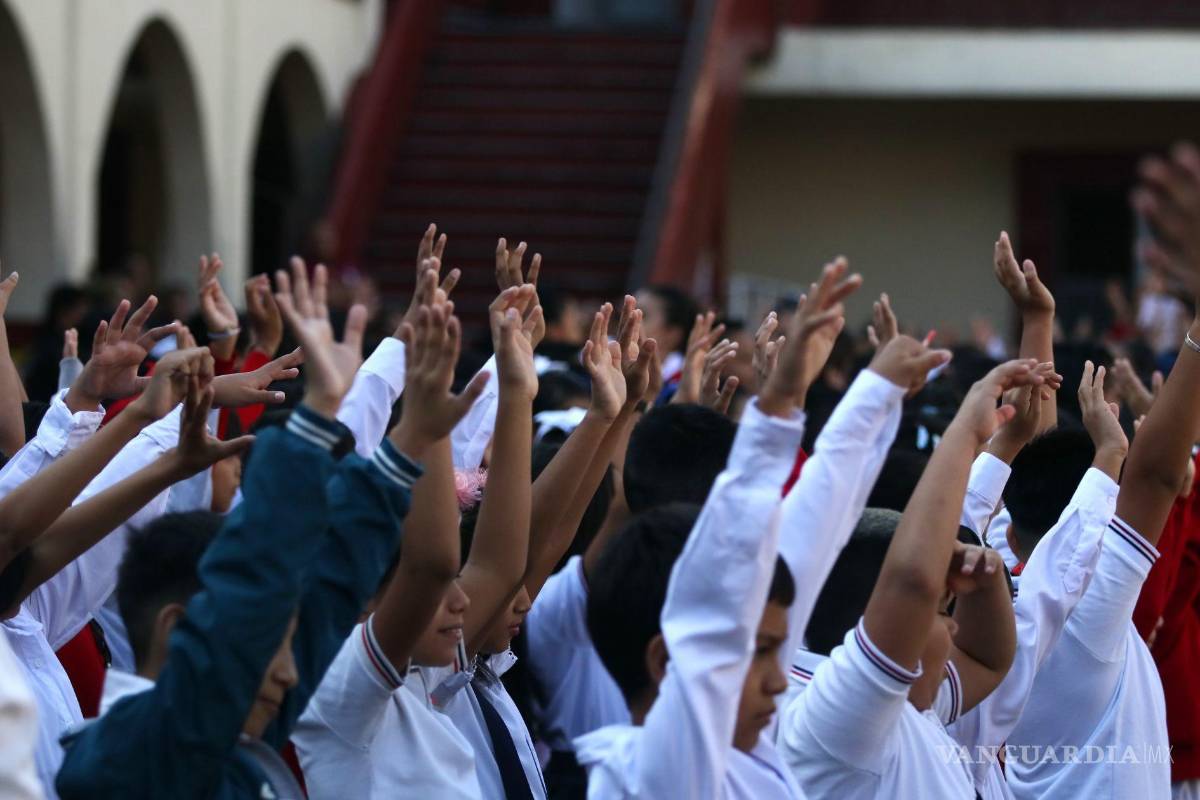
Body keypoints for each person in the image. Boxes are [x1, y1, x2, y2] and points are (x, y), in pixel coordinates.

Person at [54, 259, 426, 798]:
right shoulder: (128, 760)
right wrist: (316, 413)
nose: (290, 675)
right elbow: (258, 564)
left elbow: (328, 597)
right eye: (267, 643)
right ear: (180, 631)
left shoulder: (231, 741)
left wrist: (414, 429)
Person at [779, 358, 1042, 798]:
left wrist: (989, 573)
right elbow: (911, 581)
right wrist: (965, 432)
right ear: (879, 620)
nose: (953, 625)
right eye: (941, 611)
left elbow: (988, 660)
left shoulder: (909, 701)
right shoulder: (836, 716)